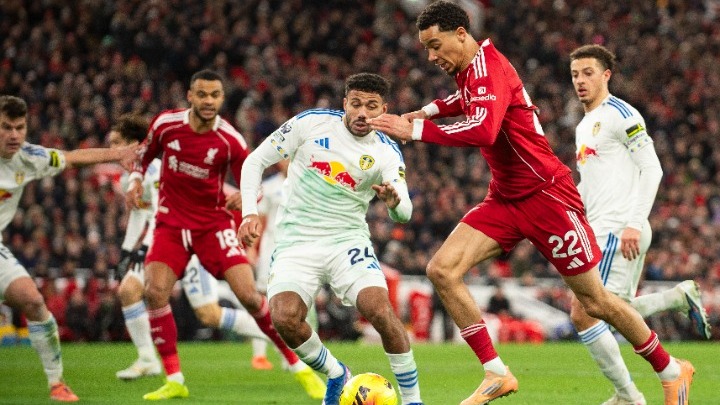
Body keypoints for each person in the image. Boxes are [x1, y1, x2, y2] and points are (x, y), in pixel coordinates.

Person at [367, 2, 695, 405]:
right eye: (426, 49)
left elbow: (484, 130)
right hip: (506, 197)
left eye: (435, 45)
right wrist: (428, 110)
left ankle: (670, 369)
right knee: (442, 270)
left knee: (595, 302)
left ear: (460, 34)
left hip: (547, 197)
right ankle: (496, 372)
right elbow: (464, 99)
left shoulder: (489, 68)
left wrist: (416, 129)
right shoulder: (471, 70)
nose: (431, 56)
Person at [125, 70, 325, 400]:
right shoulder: (166, 125)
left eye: (214, 95)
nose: (208, 101)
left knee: (250, 296)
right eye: (202, 94)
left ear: (221, 99)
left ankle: (298, 367)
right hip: (170, 225)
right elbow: (143, 155)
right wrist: (134, 181)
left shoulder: (228, 139)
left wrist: (247, 199)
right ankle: (174, 380)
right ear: (190, 96)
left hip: (212, 226)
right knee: (155, 292)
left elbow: (253, 178)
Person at [239, 73, 424, 405]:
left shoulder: (386, 152)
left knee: (380, 311)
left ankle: (413, 401)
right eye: (356, 104)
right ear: (344, 104)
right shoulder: (310, 124)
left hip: (347, 242)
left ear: (384, 109)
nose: (362, 113)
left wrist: (394, 203)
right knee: (284, 317)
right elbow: (255, 161)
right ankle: (337, 372)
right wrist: (249, 212)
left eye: (371, 106)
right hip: (297, 241)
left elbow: (404, 212)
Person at [569, 44, 711, 405]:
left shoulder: (622, 114)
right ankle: (676, 298)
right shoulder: (584, 125)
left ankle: (632, 393)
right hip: (603, 227)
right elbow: (591, 184)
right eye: (575, 74)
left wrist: (633, 222)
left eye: (588, 73)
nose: (581, 80)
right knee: (615, 308)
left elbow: (653, 168)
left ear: (606, 75)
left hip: (618, 228)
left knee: (584, 311)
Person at [108, 115, 273, 381]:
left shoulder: (157, 171)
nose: (111, 149)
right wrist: (128, 250)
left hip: (189, 240)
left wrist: (140, 249)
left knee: (209, 314)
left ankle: (278, 336)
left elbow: (162, 215)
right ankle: (148, 359)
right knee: (129, 290)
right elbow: (141, 214)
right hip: (163, 245)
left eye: (117, 143)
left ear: (135, 144)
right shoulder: (126, 179)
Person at [0, 95, 138, 402]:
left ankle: (56, 383)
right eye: (6, 127)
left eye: (19, 127)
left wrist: (118, 154)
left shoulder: (29, 157)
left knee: (33, 301)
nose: (14, 135)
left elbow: (72, 157)